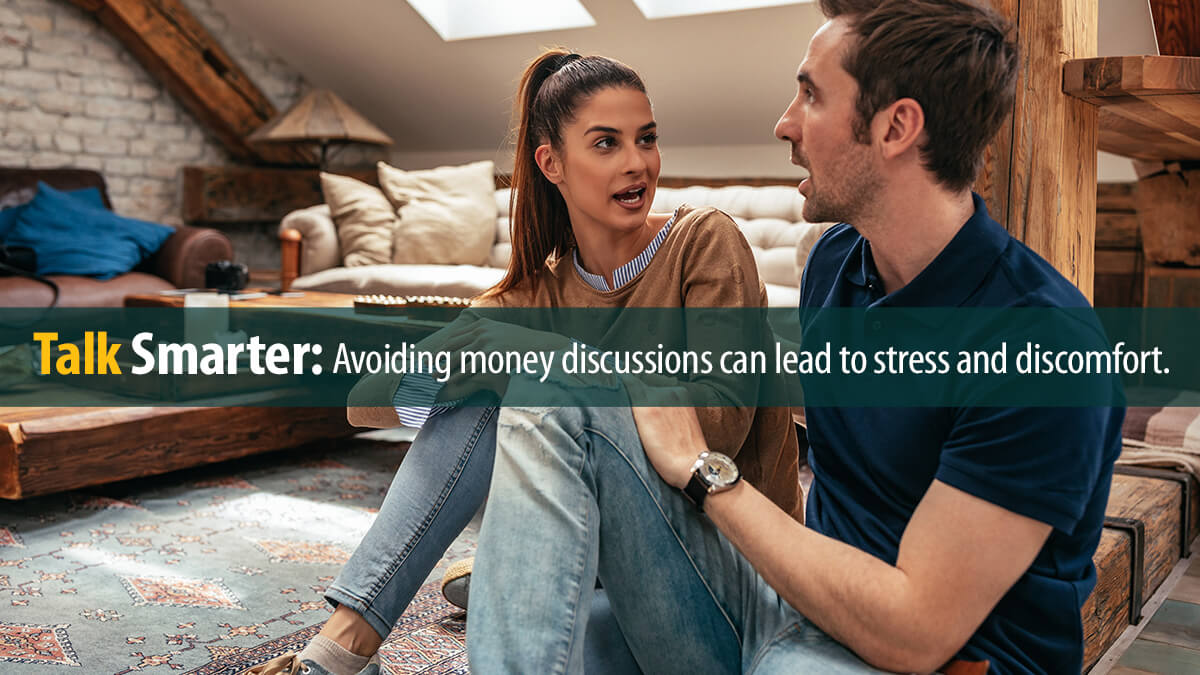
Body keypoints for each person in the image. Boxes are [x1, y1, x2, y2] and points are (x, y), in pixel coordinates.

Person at [467, 1, 1124, 673]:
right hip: (791, 606)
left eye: (811, 94)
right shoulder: (835, 265)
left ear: (897, 126)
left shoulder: (1042, 343)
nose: (785, 122)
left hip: (919, 657)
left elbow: (915, 630)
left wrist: (706, 473)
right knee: (551, 418)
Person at [242, 49, 803, 675]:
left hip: (734, 587)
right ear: (551, 163)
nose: (637, 162)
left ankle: (516, 567)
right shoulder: (536, 290)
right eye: (606, 143)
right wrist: (457, 369)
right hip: (622, 586)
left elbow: (715, 430)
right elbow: (366, 401)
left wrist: (539, 357)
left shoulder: (703, 241)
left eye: (646, 138)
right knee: (481, 398)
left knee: (528, 396)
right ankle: (347, 644)